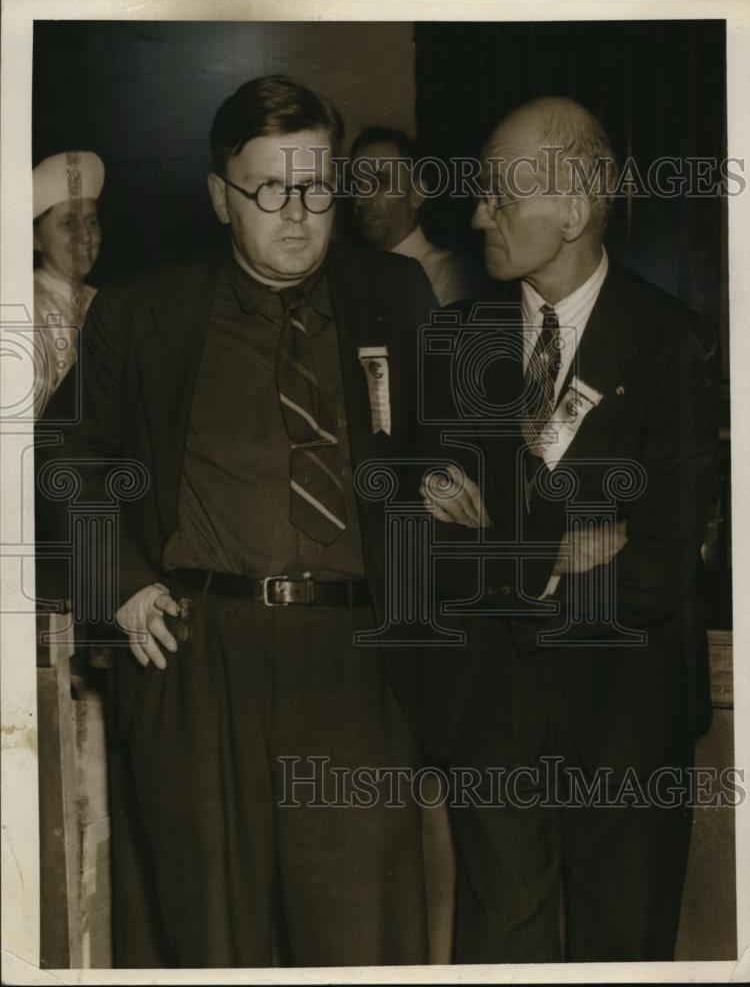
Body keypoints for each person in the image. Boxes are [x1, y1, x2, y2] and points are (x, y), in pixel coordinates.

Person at [38, 75, 436, 968]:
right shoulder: (145, 313)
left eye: (317, 188)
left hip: (356, 665)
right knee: (211, 944)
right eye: (269, 191)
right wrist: (123, 580)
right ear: (221, 196)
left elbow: (444, 442)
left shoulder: (396, 294)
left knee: (361, 941)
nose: (296, 215)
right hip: (197, 654)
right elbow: (62, 454)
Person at [420, 97, 720, 962]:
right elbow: (429, 546)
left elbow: (663, 564)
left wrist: (502, 550)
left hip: (628, 717)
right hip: (491, 718)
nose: (478, 215)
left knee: (622, 953)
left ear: (575, 207)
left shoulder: (677, 346)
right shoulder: (451, 343)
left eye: (498, 196)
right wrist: (571, 550)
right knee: (496, 957)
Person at [350, 126, 479, 306]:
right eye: (356, 184)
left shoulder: (450, 277)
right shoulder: (351, 276)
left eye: (380, 181)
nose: (359, 198)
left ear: (417, 194)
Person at [33, 150, 104, 416]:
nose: (85, 236)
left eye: (92, 221)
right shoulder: (30, 310)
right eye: (68, 223)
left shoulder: (102, 301)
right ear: (35, 240)